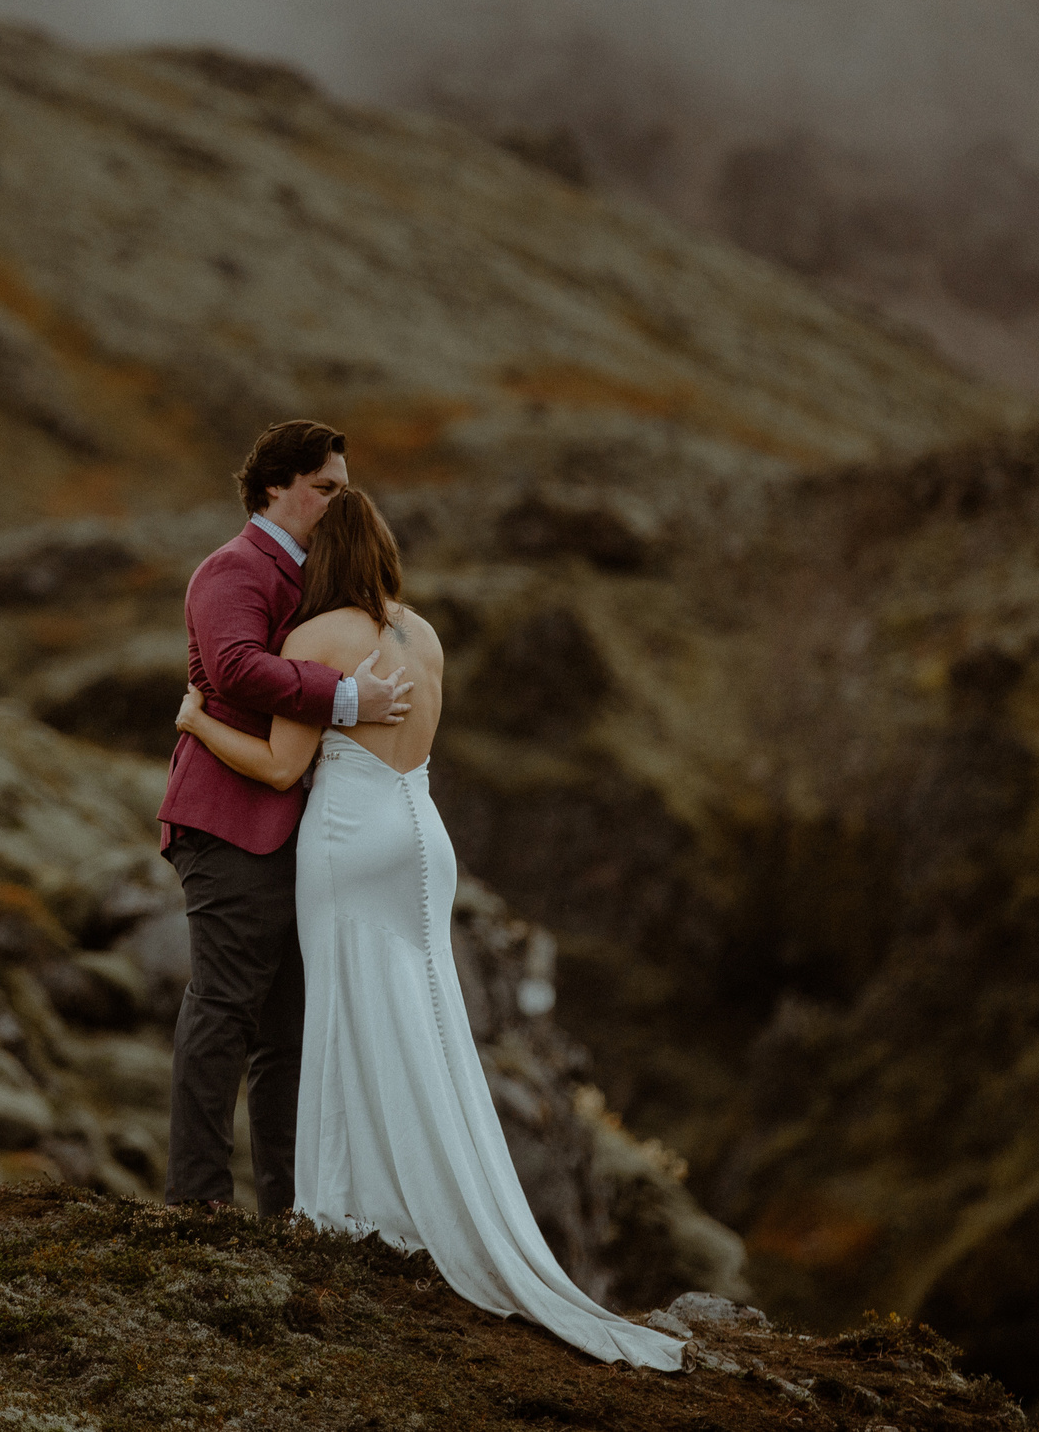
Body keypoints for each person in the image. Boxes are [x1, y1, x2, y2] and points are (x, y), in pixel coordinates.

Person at [174, 487, 685, 1371]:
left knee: (346, 1011)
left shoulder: (317, 640)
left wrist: (193, 720)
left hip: (352, 842)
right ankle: (443, 1196)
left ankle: (359, 1205)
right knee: (425, 1016)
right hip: (423, 835)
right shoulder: (422, 634)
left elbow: (279, 759)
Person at [157, 420, 414, 1217]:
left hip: (294, 834)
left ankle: (287, 1206)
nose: (338, 504)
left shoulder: (309, 577)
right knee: (224, 1007)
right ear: (277, 486)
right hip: (229, 821)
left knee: (287, 1034)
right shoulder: (232, 568)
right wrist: (344, 695)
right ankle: (197, 1198)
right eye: (327, 488)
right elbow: (234, 666)